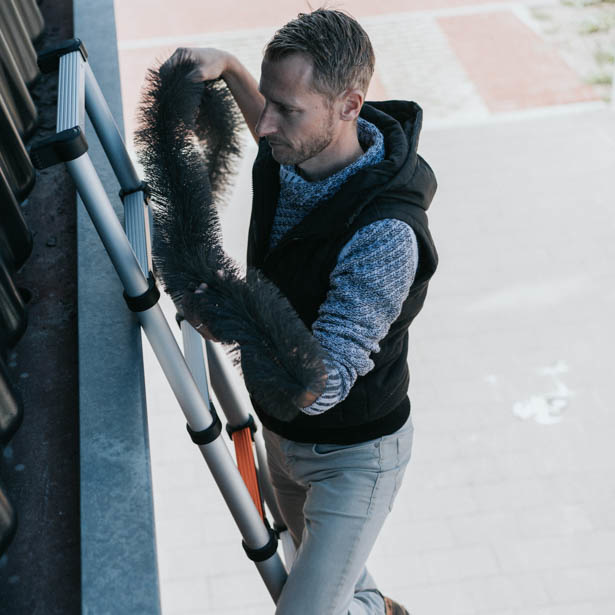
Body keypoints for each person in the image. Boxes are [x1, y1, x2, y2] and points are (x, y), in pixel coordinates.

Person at [171, 8, 438, 615]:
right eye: (266, 101)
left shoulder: (385, 235)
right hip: (281, 438)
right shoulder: (296, 150)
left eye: (286, 109)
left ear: (349, 106)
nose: (265, 125)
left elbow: (324, 384)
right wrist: (230, 67)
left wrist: (228, 314)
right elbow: (270, 125)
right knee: (330, 580)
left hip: (351, 459)